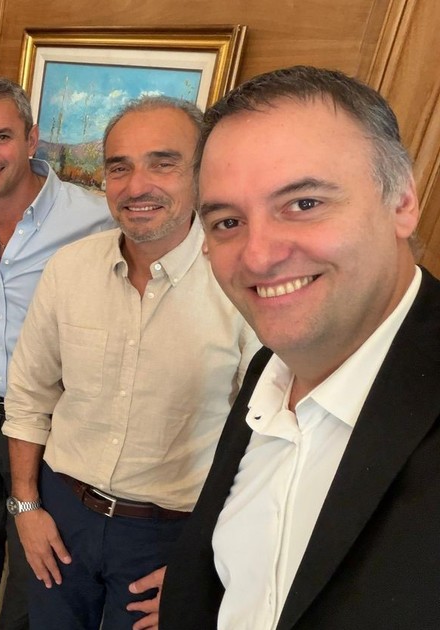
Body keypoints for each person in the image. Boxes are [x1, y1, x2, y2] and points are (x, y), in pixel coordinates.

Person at [160, 66, 440, 629]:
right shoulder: (270, 370)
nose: (258, 256)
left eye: (304, 204)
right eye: (227, 221)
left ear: (402, 201)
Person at [1, 95, 257, 630]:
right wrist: (25, 507)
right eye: (120, 167)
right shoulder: (69, 269)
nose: (137, 186)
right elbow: (28, 396)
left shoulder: (242, 282)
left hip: (171, 534)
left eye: (162, 163)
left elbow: (262, 441)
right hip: (61, 511)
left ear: (202, 172)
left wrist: (206, 562)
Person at [0, 76, 116, 630]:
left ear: (31, 138)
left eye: (1, 137)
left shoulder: (95, 220)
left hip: (53, 420)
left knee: (36, 561)